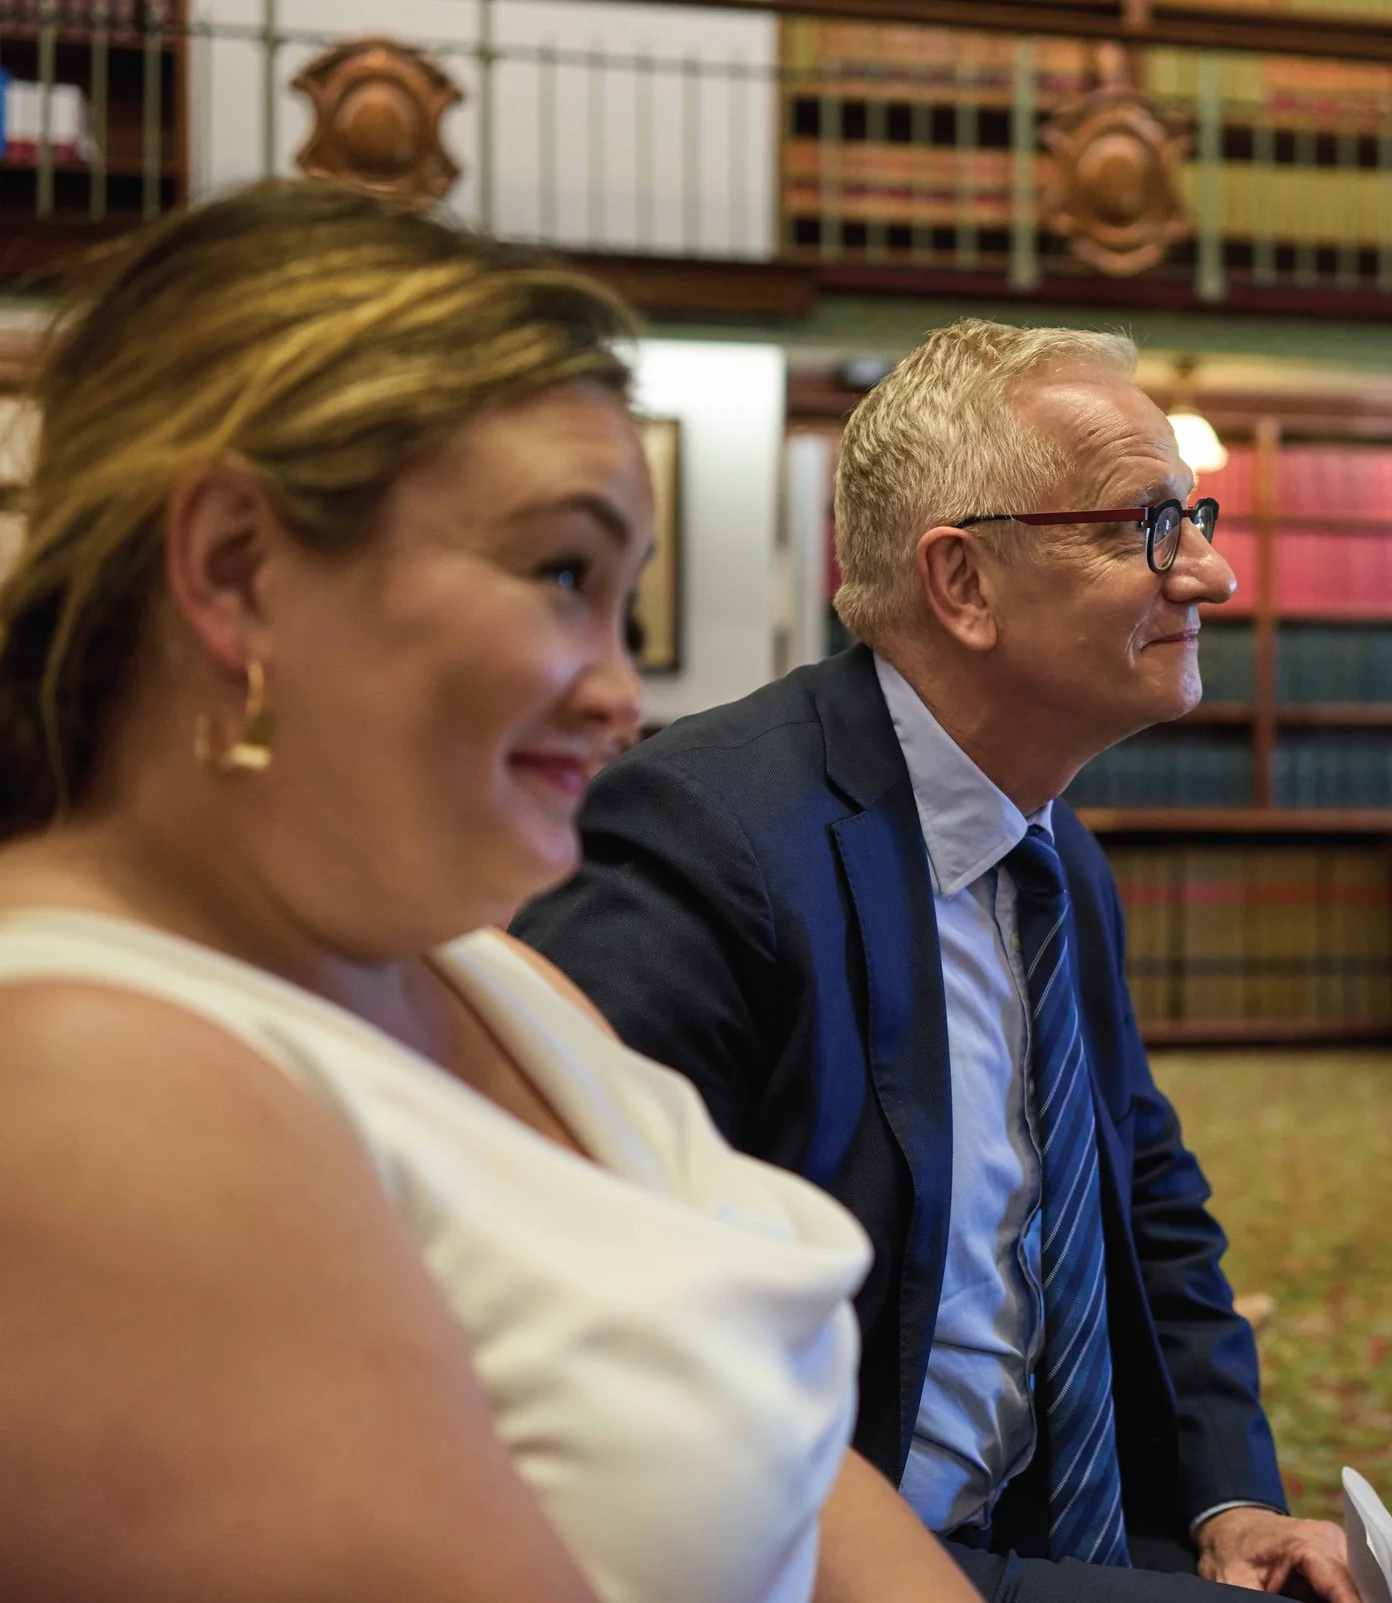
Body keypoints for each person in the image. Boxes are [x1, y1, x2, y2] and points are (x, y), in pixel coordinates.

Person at [0, 181, 979, 1603]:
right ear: (235, 569)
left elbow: (802, 1467)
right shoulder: (88, 1089)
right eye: (561, 574)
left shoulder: (484, 968)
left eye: (623, 600)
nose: (620, 694)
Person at [516, 321, 1359, 1603]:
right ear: (961, 582)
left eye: (1193, 514)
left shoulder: (1051, 845)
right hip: (818, 1550)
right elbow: (592, 1324)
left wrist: (1227, 1495)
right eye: (1144, 525)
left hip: (1048, 1514)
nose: (1210, 573)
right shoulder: (707, 837)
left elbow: (1143, 1193)